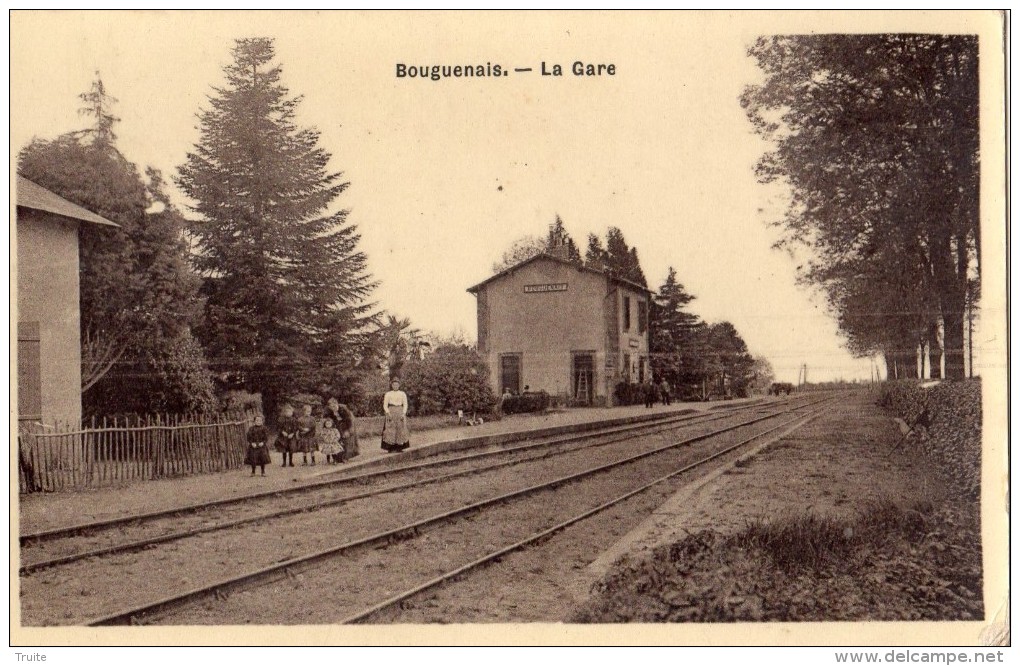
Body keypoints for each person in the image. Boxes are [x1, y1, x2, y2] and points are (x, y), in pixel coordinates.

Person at [381, 378, 410, 453]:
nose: (395, 386)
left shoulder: (402, 394)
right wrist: (388, 413)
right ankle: (390, 447)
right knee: (390, 429)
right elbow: (385, 405)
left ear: (399, 385)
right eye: (394, 385)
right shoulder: (388, 394)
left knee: (400, 428)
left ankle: (399, 447)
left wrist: (403, 413)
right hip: (391, 411)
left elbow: (405, 404)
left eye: (397, 385)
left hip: (400, 410)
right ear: (392, 385)